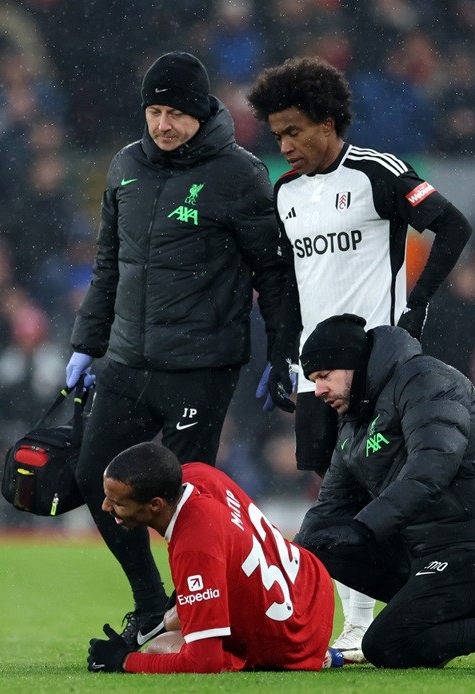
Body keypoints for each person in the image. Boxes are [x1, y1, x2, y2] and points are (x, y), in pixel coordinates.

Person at [64, 51, 300, 647]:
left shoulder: (240, 174)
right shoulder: (123, 169)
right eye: (154, 111)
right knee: (96, 475)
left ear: (201, 114)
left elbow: (272, 273)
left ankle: (197, 620)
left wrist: (282, 351)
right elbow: (108, 268)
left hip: (201, 366)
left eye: (175, 113)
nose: (162, 125)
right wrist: (86, 346)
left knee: (183, 500)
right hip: (127, 359)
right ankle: (153, 607)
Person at [246, 56, 474, 660]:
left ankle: (409, 606)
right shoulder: (285, 193)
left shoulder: (377, 173)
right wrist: (281, 356)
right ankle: (360, 621)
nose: (286, 145)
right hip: (316, 372)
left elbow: (452, 226)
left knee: (391, 489)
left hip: (382, 368)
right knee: (335, 492)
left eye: (294, 131)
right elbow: (292, 284)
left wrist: (418, 306)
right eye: (277, 136)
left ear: (327, 121)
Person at [294, 314, 475, 668]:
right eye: (313, 380)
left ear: (352, 363)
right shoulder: (354, 419)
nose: (318, 391)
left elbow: (431, 469)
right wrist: (283, 565)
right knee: (318, 543)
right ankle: (424, 625)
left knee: (385, 645)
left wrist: (364, 528)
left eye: (324, 376)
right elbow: (328, 508)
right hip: (431, 551)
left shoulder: (426, 379)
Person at [85, 442, 335, 673]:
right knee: (173, 618)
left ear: (155, 505)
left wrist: (124, 660)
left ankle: (314, 654)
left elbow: (204, 661)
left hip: (294, 643)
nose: (106, 507)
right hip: (311, 584)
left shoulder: (194, 547)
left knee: (160, 646)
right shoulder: (198, 474)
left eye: (118, 503)